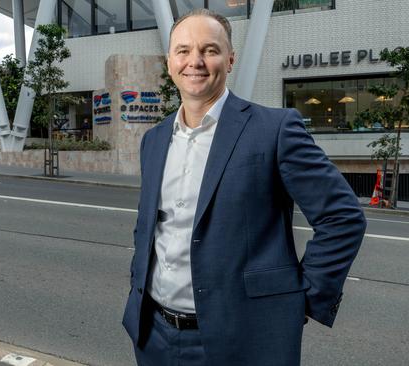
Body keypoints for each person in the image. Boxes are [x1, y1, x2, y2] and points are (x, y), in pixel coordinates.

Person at [122, 9, 366, 366]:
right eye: (184, 50)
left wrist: (298, 300)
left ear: (231, 59)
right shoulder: (154, 140)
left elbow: (342, 218)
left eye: (209, 50)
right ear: (170, 61)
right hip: (154, 336)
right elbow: (150, 228)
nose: (196, 62)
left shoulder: (275, 129)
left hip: (244, 341)